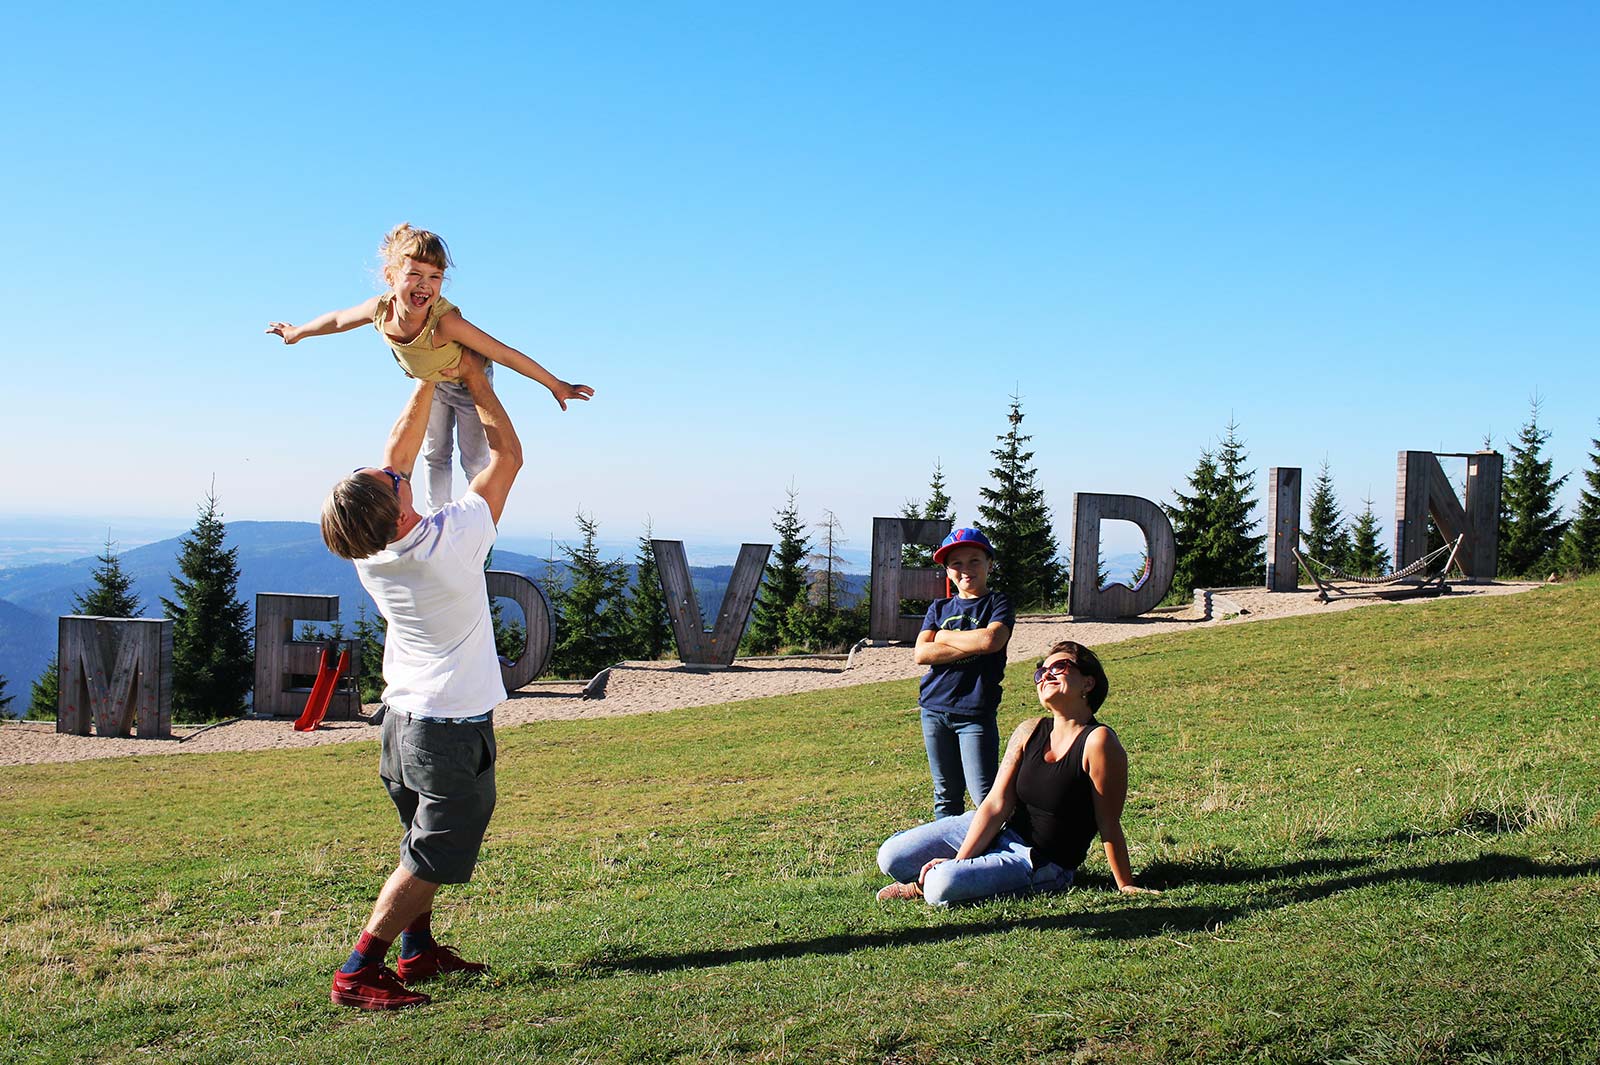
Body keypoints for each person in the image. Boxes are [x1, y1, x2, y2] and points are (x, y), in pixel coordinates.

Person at [318, 353, 519, 1010]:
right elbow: (507, 457)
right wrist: (475, 377)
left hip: (401, 725)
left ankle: (418, 950)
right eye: (389, 480)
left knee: (419, 839)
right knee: (432, 851)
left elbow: (395, 456)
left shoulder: (371, 552)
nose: (392, 469)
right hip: (448, 732)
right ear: (400, 508)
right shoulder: (449, 542)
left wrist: (428, 370)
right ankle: (359, 968)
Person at [268, 222, 593, 510]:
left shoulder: (444, 323)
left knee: (475, 458)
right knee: (435, 454)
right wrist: (297, 333)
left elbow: (503, 353)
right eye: (415, 275)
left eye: (435, 277)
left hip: (467, 384)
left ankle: (477, 516)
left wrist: (555, 384)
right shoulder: (379, 310)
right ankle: (439, 514)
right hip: (433, 384)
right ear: (391, 276)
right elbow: (338, 320)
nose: (425, 285)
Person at [876, 640, 1158, 905]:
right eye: (1041, 671)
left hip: (1040, 861)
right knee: (891, 856)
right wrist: (962, 858)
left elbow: (1108, 822)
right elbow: (996, 803)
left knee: (941, 884)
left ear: (1088, 682)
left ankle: (925, 884)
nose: (1046, 675)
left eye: (1059, 667)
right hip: (1001, 831)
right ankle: (961, 869)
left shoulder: (1098, 742)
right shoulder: (1029, 730)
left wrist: (1125, 884)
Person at [914, 527, 1014, 819]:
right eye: (956, 563)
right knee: (945, 795)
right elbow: (921, 653)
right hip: (933, 709)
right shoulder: (939, 607)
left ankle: (1001, 847)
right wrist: (974, 643)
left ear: (989, 564)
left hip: (975, 712)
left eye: (974, 561)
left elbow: (991, 640)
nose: (965, 569)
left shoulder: (998, 603)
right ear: (947, 571)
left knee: (985, 796)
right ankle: (949, 847)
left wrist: (944, 637)